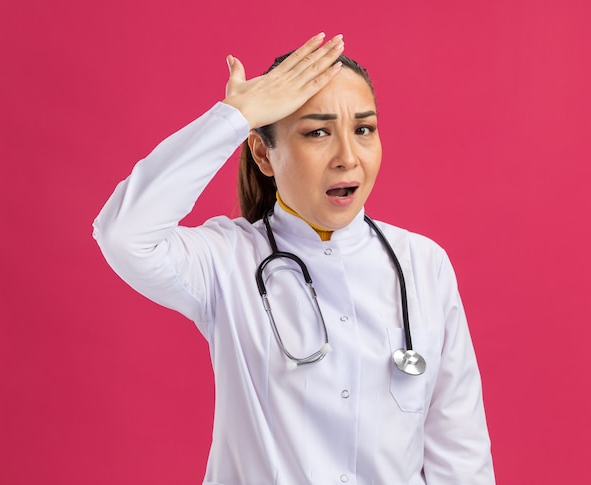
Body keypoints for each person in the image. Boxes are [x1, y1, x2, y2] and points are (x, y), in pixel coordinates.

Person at [93, 33, 495, 484]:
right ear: (264, 153)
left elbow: (461, 455)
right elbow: (124, 234)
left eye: (363, 129)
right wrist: (234, 118)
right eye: (317, 132)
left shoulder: (423, 265)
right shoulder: (226, 260)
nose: (348, 157)